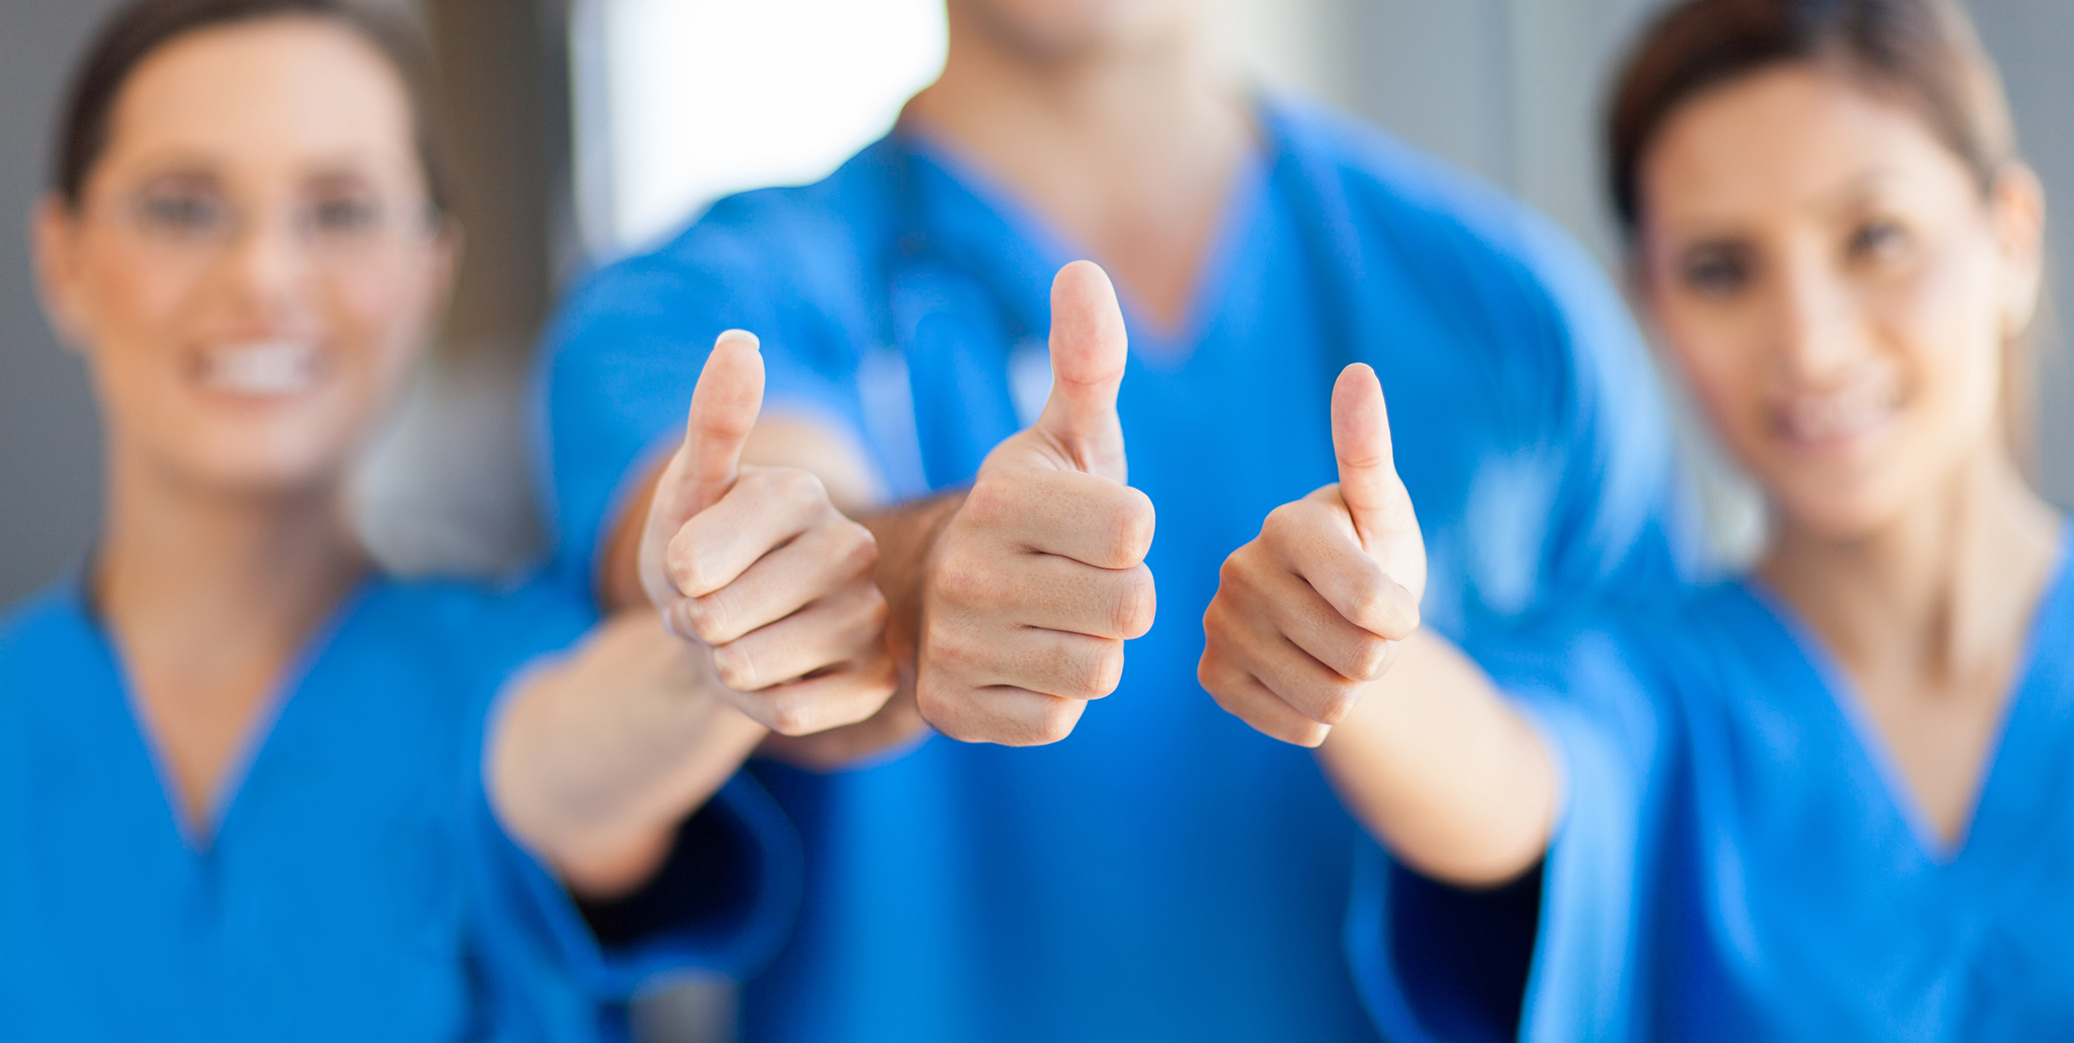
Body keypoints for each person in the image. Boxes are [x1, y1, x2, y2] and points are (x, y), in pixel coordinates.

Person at [538, 0, 1695, 1038]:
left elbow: (1639, 814)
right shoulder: (690, 310)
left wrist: (1381, 671)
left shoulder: (1519, 328)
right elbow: (760, 520)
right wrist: (905, 577)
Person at [0, 1, 892, 1038]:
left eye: (341, 211)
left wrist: (718, 639)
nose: (263, 275)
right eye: (183, 208)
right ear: (63, 259)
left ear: (431, 270)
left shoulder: (513, 662)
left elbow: (569, 756)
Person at [1199, 0, 2074, 1038]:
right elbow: (1509, 774)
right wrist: (1361, 648)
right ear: (1650, 306)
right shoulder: (1651, 696)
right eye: (1721, 270)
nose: (1809, 340)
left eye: (1875, 238)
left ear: (2010, 239)